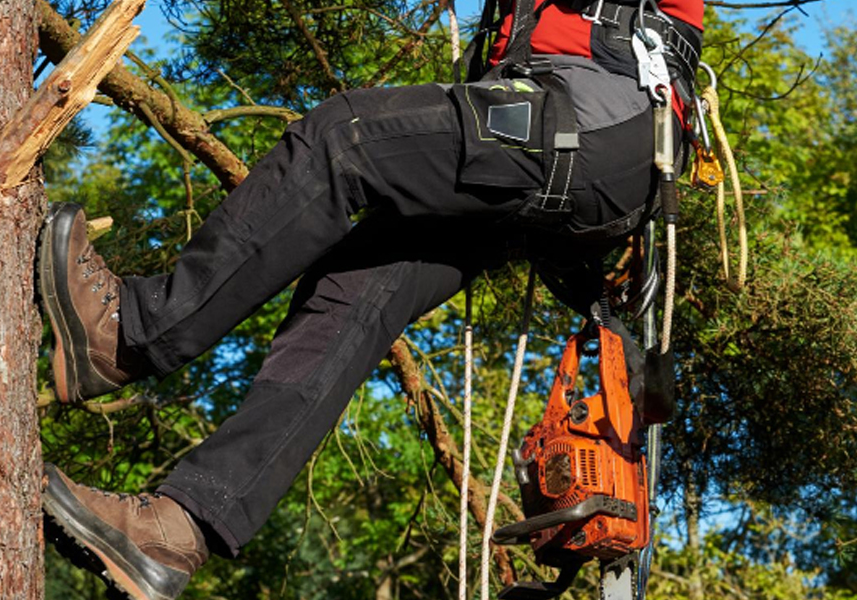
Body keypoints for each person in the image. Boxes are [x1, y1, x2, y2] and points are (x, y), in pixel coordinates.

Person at [38, 2, 704, 599]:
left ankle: (132, 331)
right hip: (550, 128)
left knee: (344, 138)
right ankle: (179, 530)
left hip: (596, 122)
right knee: (351, 293)